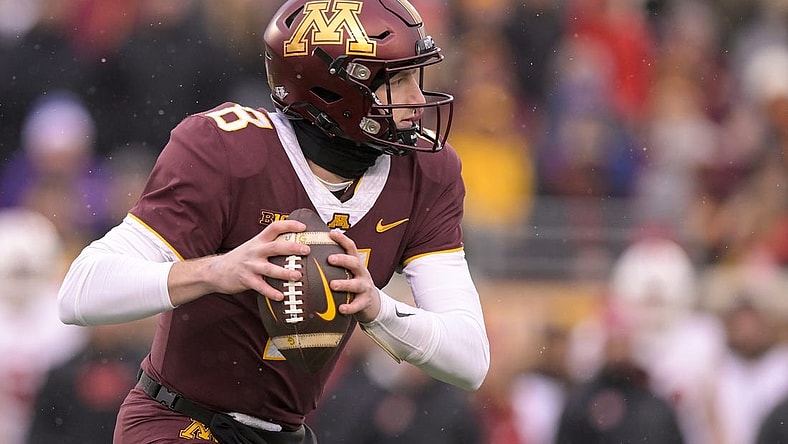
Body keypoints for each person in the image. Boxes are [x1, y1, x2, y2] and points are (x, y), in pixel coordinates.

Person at [57, 0, 491, 443]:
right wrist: (215, 270)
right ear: (335, 89)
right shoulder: (227, 149)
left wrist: (376, 308)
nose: (418, 100)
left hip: (287, 433)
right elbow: (80, 292)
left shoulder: (425, 174)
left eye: (416, 78)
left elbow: (469, 358)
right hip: (182, 422)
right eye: (397, 81)